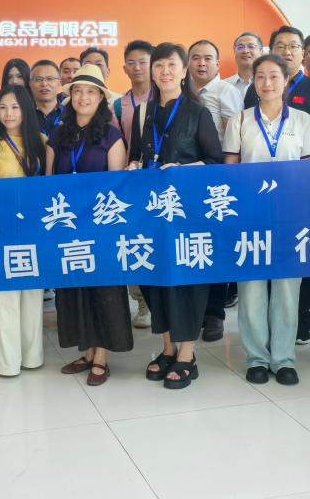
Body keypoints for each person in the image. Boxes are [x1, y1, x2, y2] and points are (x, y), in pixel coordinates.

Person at [128, 42, 223, 389]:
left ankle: (187, 354)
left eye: (171, 65)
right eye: (159, 66)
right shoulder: (143, 112)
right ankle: (167, 348)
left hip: (187, 213)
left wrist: (184, 169)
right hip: (152, 212)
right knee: (156, 280)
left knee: (186, 282)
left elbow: (215, 162)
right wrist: (134, 164)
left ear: (184, 71)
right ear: (151, 72)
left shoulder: (199, 113)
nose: (164, 72)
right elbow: (137, 153)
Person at [224, 54, 310, 386]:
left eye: (274, 76)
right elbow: (230, 173)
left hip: (290, 217)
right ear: (253, 81)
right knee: (251, 287)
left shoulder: (304, 121)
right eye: (261, 76)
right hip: (250, 216)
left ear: (287, 80)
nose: (267, 83)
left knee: (287, 288)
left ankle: (283, 358)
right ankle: (256, 357)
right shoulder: (239, 120)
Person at [244, 25, 310, 344]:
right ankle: (260, 342)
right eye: (280, 45)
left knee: (294, 269)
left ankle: (294, 330)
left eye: (293, 46)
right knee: (257, 272)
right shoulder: (249, 104)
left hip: (295, 200)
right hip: (254, 203)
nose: (268, 83)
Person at [46, 64, 131, 385]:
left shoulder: (111, 136)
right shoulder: (58, 134)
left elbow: (117, 187)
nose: (83, 97)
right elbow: (48, 180)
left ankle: (102, 357)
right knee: (74, 291)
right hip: (68, 226)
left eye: (91, 92)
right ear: (70, 96)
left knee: (103, 290)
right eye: (78, 91)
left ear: (100, 98)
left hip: (101, 226)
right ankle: (87, 350)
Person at [0, 85, 47, 376]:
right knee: (0, 294)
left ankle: (31, 356)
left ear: (26, 109)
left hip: (33, 228)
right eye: (2, 107)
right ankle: (5, 362)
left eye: (15, 107)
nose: (8, 113)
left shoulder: (41, 141)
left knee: (31, 293)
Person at [187, 38, 242, 340]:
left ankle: (214, 314)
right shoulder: (181, 92)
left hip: (217, 179)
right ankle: (194, 310)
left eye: (208, 58)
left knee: (216, 247)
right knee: (192, 245)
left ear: (218, 64)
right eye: (196, 57)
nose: (201, 63)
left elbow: (234, 137)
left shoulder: (226, 92)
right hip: (186, 180)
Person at [113, 40, 154, 330]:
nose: (137, 67)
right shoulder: (118, 105)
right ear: (124, 67)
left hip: (161, 183)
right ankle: (140, 301)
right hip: (130, 184)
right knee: (133, 242)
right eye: (132, 62)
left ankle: (160, 299)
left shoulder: (166, 98)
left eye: (143, 61)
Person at [224, 32, 264, 99]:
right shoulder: (223, 86)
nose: (245, 51)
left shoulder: (269, 84)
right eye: (240, 47)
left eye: (251, 46)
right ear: (234, 52)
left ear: (261, 52)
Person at [31, 59, 64, 136]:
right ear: (30, 84)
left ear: (59, 82)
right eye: (38, 79)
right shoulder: (23, 116)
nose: (44, 84)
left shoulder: (71, 115)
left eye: (50, 79)